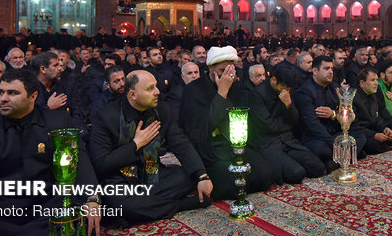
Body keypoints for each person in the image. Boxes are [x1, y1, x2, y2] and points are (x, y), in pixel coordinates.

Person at [0, 69, 101, 236]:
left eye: (12, 93)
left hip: (48, 206)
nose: (4, 98)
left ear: (33, 96)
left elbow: (78, 159)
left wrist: (92, 198)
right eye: (1, 92)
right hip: (2, 212)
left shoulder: (57, 121)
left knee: (85, 223)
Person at [89, 70, 212, 227]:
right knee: (120, 204)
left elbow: (180, 143)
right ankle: (180, 205)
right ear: (132, 95)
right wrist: (136, 144)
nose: (157, 92)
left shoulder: (161, 110)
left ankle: (144, 208)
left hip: (153, 175)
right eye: (150, 89)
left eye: (156, 86)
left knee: (187, 175)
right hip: (121, 181)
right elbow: (101, 164)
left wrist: (201, 175)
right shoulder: (106, 116)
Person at [179, 46, 274, 200]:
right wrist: (222, 92)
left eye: (231, 70)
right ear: (210, 68)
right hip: (209, 150)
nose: (227, 75)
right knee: (232, 186)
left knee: (265, 175)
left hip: (232, 146)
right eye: (222, 70)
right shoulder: (194, 90)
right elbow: (203, 128)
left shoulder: (235, 85)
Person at [249, 65, 325, 184]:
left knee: (318, 167)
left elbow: (295, 121)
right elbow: (268, 126)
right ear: (273, 80)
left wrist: (289, 105)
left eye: (289, 88)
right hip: (269, 143)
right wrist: (287, 124)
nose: (286, 91)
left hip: (288, 140)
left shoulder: (287, 91)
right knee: (297, 173)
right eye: (284, 87)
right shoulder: (256, 95)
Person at [295, 56, 366, 172]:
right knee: (323, 149)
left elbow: (347, 112)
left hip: (334, 132)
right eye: (326, 68)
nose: (330, 72)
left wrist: (333, 114)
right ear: (315, 70)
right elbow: (312, 125)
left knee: (360, 136)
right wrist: (334, 143)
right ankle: (344, 157)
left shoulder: (334, 87)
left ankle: (335, 161)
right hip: (316, 137)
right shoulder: (305, 92)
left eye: (332, 69)